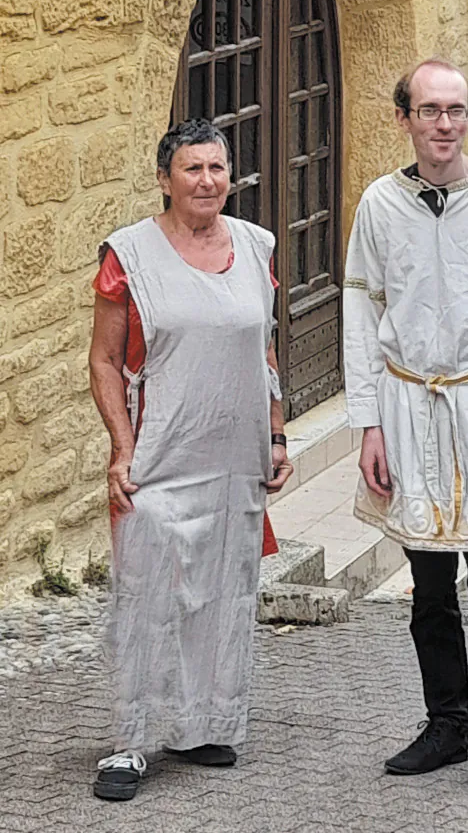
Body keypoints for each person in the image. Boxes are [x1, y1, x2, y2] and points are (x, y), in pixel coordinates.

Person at [343, 58, 468, 801]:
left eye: (455, 109)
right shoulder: (379, 204)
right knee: (430, 590)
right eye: (429, 110)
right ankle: (445, 724)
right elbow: (362, 315)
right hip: (408, 414)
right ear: (404, 119)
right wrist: (367, 423)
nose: (443, 124)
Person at [87, 118, 294, 801]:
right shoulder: (130, 254)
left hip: (234, 455)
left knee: (224, 594)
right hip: (159, 453)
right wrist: (121, 448)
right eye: (192, 170)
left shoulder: (258, 245)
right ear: (165, 180)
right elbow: (105, 360)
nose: (207, 182)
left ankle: (203, 725)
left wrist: (276, 436)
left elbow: (262, 353)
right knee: (147, 596)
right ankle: (128, 744)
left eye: (217, 168)